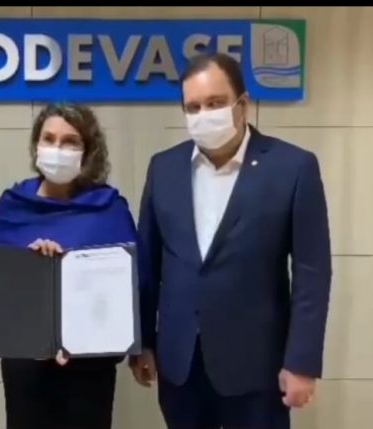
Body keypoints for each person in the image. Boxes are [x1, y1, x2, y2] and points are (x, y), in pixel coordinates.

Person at [131, 52, 332, 429]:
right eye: (193, 107)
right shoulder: (164, 168)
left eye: (215, 103)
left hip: (257, 369)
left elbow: (312, 273)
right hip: (181, 366)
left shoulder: (293, 167)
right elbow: (148, 265)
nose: (204, 114)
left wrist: (302, 362)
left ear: (243, 104)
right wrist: (142, 342)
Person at [0, 103, 143, 429]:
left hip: (90, 369)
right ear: (36, 145)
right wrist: (30, 265)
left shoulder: (109, 208)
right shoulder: (11, 206)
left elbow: (129, 288)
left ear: (88, 152)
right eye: (49, 139)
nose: (57, 148)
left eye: (70, 141)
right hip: (26, 365)